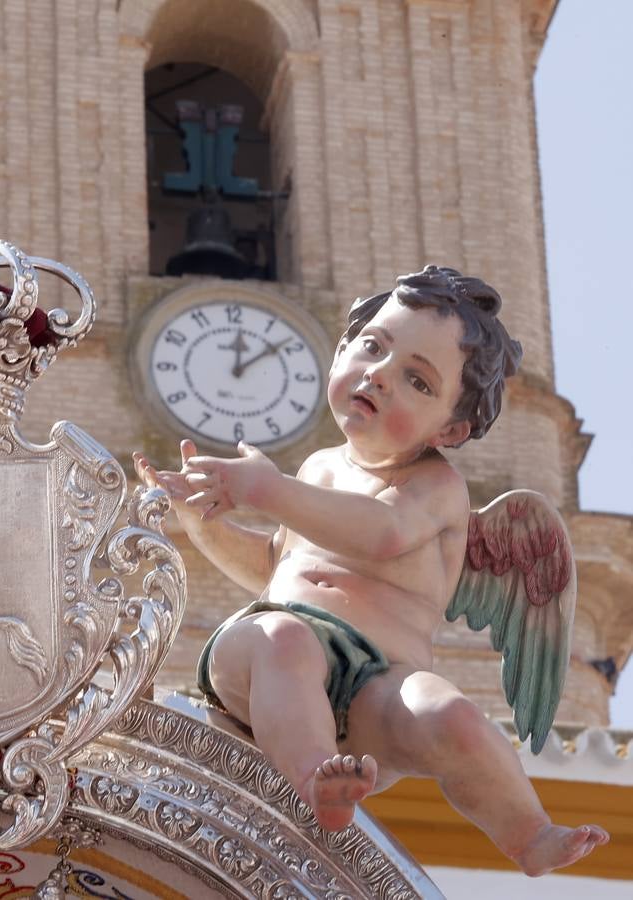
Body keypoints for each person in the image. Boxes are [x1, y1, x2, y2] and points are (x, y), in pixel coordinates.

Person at [133, 266, 608, 876]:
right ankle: (313, 784)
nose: (381, 374)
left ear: (452, 428)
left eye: (416, 380)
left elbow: (381, 533)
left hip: (374, 690)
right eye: (372, 347)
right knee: (285, 636)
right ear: (341, 352)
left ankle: (529, 835)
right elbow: (274, 567)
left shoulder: (436, 488)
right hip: (264, 664)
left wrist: (265, 489)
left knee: (450, 714)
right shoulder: (318, 469)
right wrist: (203, 525)